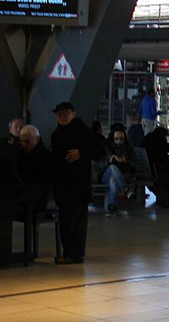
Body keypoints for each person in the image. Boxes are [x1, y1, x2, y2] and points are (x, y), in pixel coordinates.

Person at [50, 102, 103, 264]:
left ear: (73, 114)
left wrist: (81, 153)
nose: (62, 117)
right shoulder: (57, 134)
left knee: (75, 222)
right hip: (63, 185)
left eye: (65, 114)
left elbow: (99, 151)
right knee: (66, 221)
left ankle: (74, 254)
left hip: (78, 186)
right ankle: (68, 252)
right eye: (59, 114)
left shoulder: (82, 131)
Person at [13, 125, 52, 217]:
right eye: (21, 141)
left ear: (37, 139)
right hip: (22, 194)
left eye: (27, 141)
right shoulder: (18, 154)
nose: (23, 144)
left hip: (37, 198)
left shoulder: (46, 157)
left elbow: (41, 183)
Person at [100, 126, 137, 213]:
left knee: (113, 180)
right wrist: (109, 160)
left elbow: (135, 166)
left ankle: (112, 206)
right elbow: (99, 165)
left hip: (122, 175)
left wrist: (125, 161)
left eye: (121, 139)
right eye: (116, 139)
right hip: (105, 174)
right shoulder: (106, 147)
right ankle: (125, 189)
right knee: (112, 167)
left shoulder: (129, 149)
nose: (118, 141)